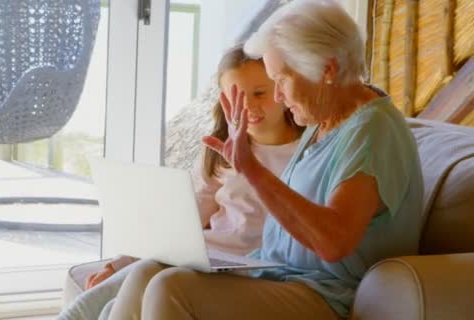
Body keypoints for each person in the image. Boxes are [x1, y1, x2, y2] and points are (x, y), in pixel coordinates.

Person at [105, 1, 424, 319]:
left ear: (327, 69)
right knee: (147, 273)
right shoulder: (323, 121)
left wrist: (253, 171)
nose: (279, 97)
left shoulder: (373, 131)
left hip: (325, 295)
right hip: (274, 276)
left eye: (281, 80)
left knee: (170, 286)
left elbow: (333, 242)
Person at [57, 44, 303, 320]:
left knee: (144, 281)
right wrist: (122, 261)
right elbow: (182, 223)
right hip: (206, 258)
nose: (247, 107)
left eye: (259, 93)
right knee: (122, 290)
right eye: (235, 97)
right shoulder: (220, 152)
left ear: (281, 90)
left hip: (250, 270)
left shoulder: (305, 153)